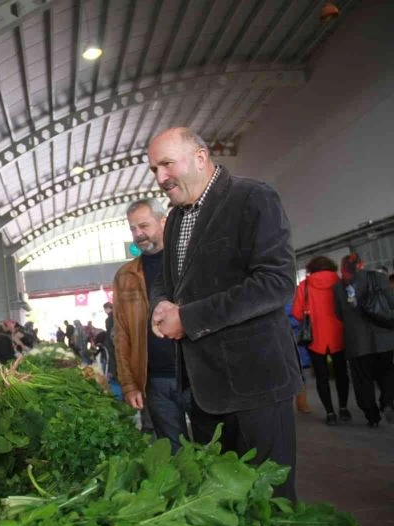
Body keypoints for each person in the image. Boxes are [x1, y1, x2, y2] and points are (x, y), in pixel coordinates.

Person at [148, 127, 301, 500]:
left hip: (255, 386)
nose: (160, 177)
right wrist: (161, 304)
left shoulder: (252, 198)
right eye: (154, 169)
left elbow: (275, 282)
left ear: (200, 157)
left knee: (269, 501)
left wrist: (188, 319)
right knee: (224, 502)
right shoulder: (177, 218)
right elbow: (168, 280)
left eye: (167, 164)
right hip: (203, 392)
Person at [113, 198, 191, 452]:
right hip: (155, 382)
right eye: (133, 228)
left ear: (163, 222)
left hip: (196, 377)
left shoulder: (189, 261)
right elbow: (121, 334)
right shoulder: (125, 276)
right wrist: (129, 384)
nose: (138, 234)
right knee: (175, 454)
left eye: (144, 226)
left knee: (212, 447)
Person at [334, 253, 394, 427]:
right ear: (361, 264)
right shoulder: (379, 278)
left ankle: (372, 417)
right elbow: (391, 303)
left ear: (343, 268)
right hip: (383, 339)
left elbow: (338, 314)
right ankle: (388, 401)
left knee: (363, 381)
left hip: (357, 342)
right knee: (387, 372)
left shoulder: (338, 287)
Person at [292, 256, 348, 425]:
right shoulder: (339, 282)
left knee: (322, 377)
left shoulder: (304, 286)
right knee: (341, 374)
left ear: (311, 268)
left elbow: (296, 313)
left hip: (315, 338)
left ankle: (330, 413)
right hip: (339, 335)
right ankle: (343, 408)